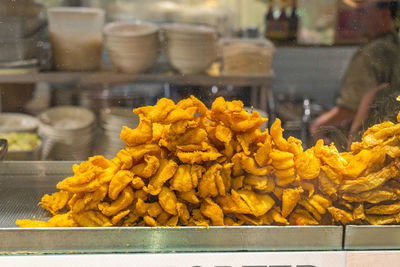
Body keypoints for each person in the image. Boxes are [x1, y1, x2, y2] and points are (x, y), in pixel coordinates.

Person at [310, 0, 400, 150]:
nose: (358, 18)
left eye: (364, 12)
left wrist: (319, 125)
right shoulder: (395, 45)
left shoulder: (372, 53)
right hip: (389, 146)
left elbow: (349, 108)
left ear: (385, 14)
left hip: (365, 146)